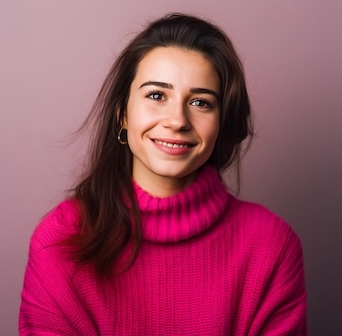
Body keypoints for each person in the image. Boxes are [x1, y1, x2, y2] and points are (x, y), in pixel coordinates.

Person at [18, 13, 307, 335]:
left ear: (222, 124)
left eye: (200, 102)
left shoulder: (271, 244)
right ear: (122, 115)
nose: (177, 120)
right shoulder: (60, 239)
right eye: (157, 96)